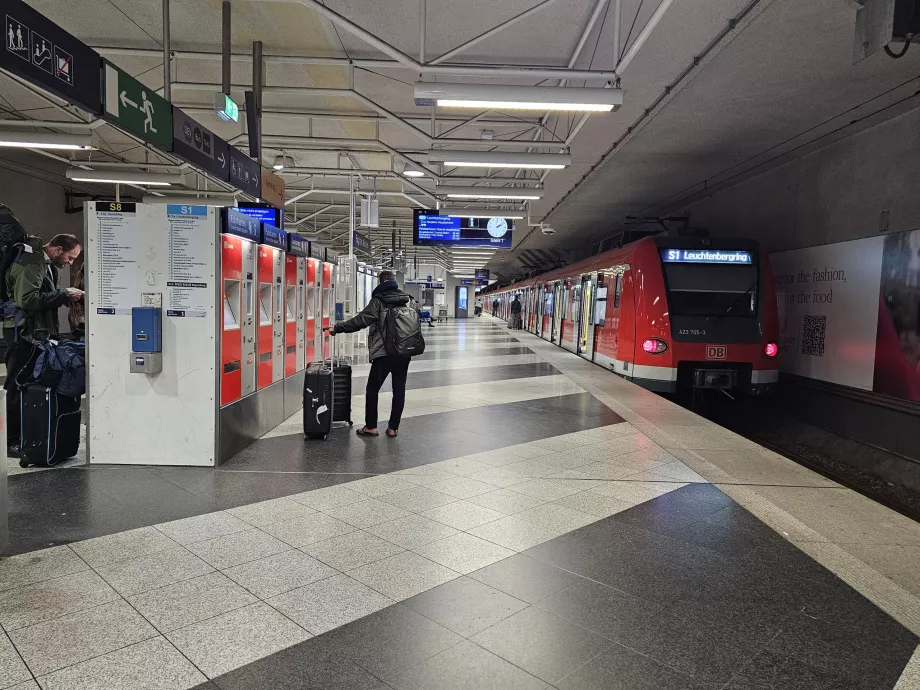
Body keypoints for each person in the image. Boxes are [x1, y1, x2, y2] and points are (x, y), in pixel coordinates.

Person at [4, 233, 83, 456]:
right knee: (16, 385)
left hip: (33, 331)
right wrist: (63, 294)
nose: (70, 263)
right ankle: (11, 441)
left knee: (28, 383)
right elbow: (26, 300)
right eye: (69, 257)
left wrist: (65, 296)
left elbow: (42, 295)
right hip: (22, 333)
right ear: (57, 249)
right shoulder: (34, 262)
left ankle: (27, 436)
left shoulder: (44, 263)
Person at [330, 271, 414, 438]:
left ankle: (371, 427)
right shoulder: (406, 300)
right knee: (399, 389)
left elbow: (361, 320)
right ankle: (393, 428)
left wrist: (338, 328)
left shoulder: (378, 301)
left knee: (372, 388)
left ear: (382, 281)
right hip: (404, 352)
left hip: (384, 352)